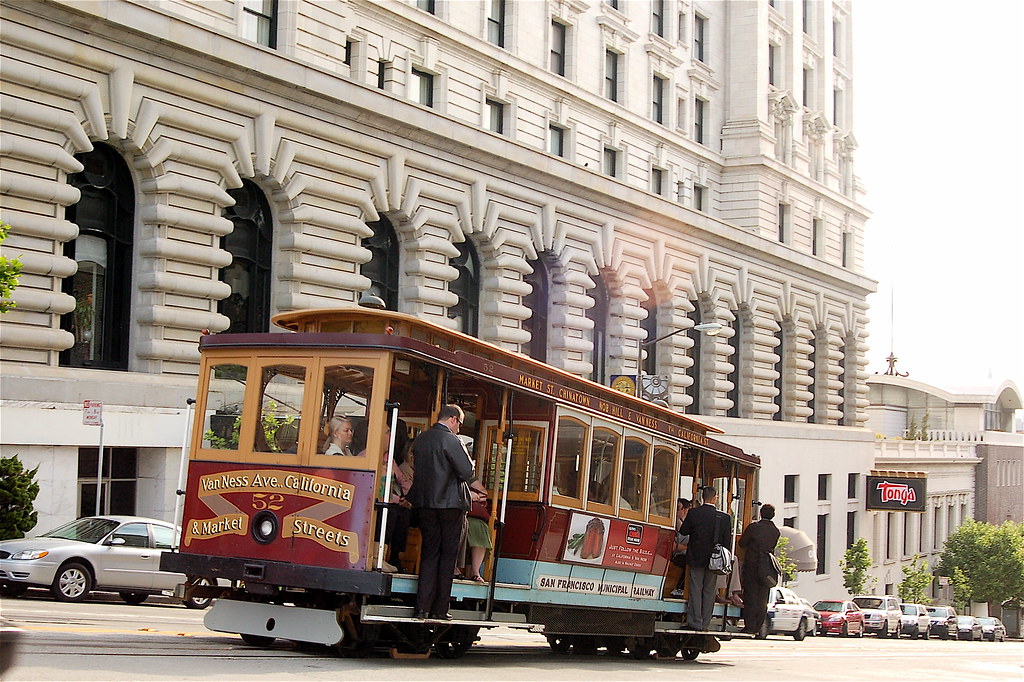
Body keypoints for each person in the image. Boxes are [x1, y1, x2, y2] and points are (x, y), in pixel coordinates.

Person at [405, 404, 486, 620]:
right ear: (452, 419)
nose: (459, 427)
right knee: (448, 557)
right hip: (450, 506)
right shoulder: (451, 440)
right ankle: (440, 609)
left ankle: (421, 607)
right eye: (459, 423)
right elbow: (467, 471)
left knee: (429, 555)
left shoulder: (422, 439)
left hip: (425, 505)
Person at [678, 485, 732, 631]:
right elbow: (727, 542)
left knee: (695, 589)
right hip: (714, 560)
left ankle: (695, 622)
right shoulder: (724, 517)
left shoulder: (694, 513)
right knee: (709, 591)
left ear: (703, 498)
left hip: (696, 557)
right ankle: (705, 623)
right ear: (715, 498)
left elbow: (684, 531)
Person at [738, 503, 781, 635]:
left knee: (750, 596)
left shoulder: (754, 527)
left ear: (761, 513)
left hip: (752, 565)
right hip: (767, 568)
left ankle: (749, 626)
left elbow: (742, 543)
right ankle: (758, 626)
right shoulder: (775, 531)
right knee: (763, 598)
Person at [465, 488, 491, 582]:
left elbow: (483, 493)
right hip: (453, 510)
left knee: (480, 528)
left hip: (471, 515)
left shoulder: (468, 475)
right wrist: (467, 494)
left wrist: (476, 496)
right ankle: (453, 568)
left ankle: (475, 571)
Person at [669, 497, 692, 597]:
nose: (677, 511)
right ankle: (680, 588)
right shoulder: (673, 523)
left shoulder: (683, 523)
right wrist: (688, 548)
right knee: (687, 559)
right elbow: (673, 547)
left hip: (682, 553)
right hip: (675, 555)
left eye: (679, 508)